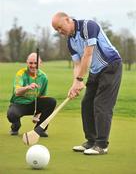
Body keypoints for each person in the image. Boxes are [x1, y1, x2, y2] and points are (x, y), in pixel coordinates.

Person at [52, 12, 122, 155]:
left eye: (60, 27)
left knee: (101, 105)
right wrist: (74, 84)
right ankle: (91, 141)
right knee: (86, 104)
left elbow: (88, 54)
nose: (60, 32)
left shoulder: (88, 26)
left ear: (67, 19)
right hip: (95, 71)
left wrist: (80, 80)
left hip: (111, 66)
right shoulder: (70, 41)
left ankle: (101, 145)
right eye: (56, 30)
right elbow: (77, 65)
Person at [7, 53, 56, 137]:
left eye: (35, 63)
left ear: (40, 63)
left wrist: (37, 114)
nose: (33, 65)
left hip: (33, 104)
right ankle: (15, 126)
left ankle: (39, 129)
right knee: (12, 114)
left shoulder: (43, 77)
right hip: (19, 104)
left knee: (51, 102)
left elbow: (41, 97)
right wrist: (28, 87)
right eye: (30, 63)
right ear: (27, 62)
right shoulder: (21, 73)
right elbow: (17, 92)